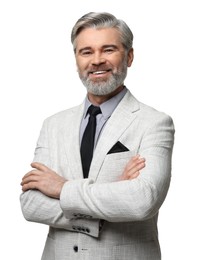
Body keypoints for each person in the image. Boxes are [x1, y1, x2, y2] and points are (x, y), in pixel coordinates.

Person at [20, 12, 175, 260]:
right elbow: (30, 205)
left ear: (129, 56)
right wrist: (111, 194)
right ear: (77, 59)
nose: (97, 61)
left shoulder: (155, 123)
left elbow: (142, 200)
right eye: (86, 52)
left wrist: (61, 188)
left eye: (108, 49)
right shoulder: (53, 125)